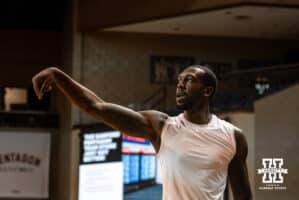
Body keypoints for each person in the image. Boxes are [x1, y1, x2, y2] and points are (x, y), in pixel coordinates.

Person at [32, 65, 252, 200]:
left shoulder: (233, 136)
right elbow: (95, 106)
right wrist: (57, 75)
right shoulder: (161, 126)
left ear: (207, 90)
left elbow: (243, 196)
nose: (180, 85)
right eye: (179, 81)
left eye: (189, 80)